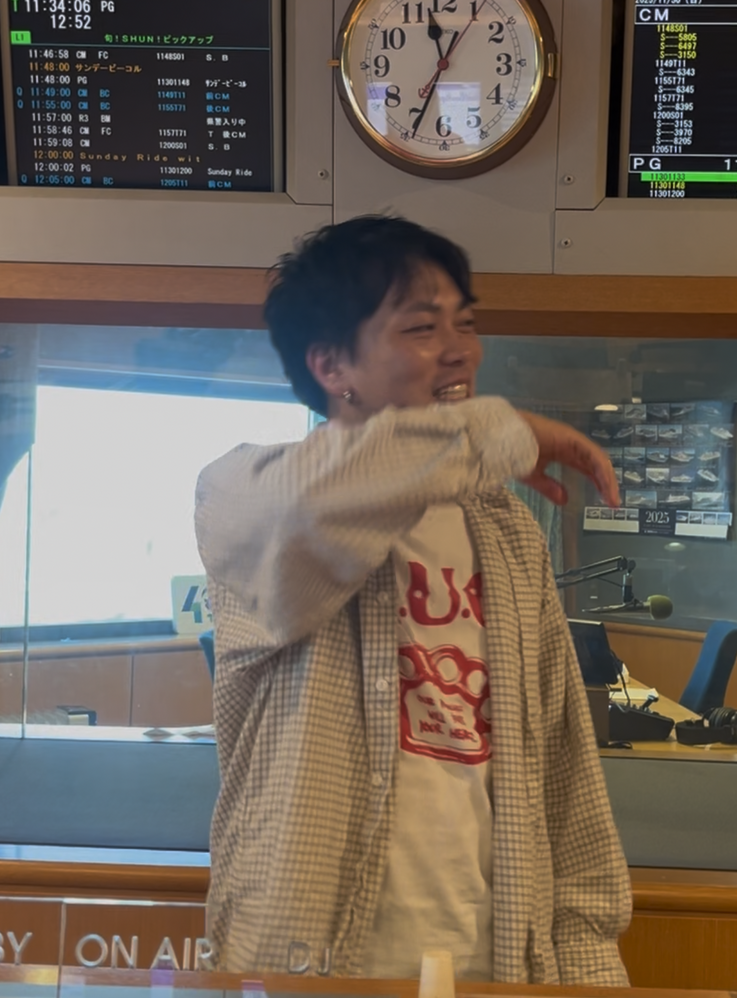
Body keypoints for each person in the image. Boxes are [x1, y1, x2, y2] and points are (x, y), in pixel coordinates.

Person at [194, 215, 632, 984]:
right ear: (331, 364)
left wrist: (592, 968)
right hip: (307, 959)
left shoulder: (506, 530)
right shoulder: (245, 493)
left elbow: (564, 772)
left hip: (496, 957)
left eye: (467, 323)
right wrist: (500, 432)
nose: (461, 350)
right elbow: (308, 506)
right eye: (423, 328)